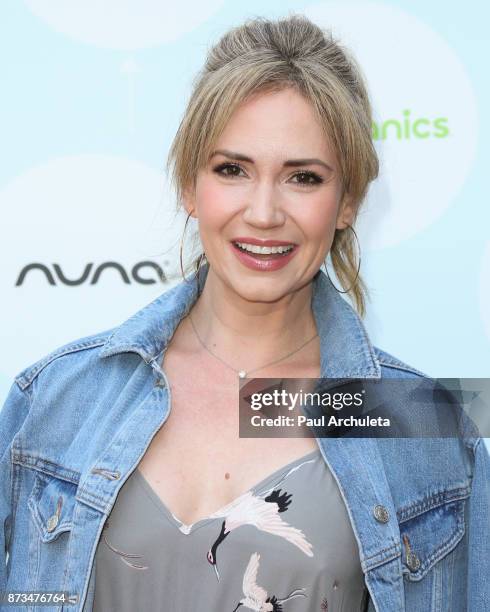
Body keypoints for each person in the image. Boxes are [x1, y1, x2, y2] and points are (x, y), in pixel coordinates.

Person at [1, 14, 489, 612]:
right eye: (232, 169)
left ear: (348, 203)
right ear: (189, 182)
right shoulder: (56, 398)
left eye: (303, 178)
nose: (263, 212)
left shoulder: (420, 423)